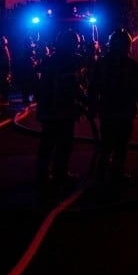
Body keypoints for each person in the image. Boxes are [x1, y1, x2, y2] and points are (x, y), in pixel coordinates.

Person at [86, 28, 138, 191]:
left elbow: (93, 88)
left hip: (108, 111)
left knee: (107, 143)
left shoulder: (102, 63)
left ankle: (101, 174)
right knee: (120, 145)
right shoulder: (132, 65)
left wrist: (91, 107)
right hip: (125, 112)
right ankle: (115, 174)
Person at [35, 27, 89, 195]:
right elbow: (71, 86)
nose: (77, 49)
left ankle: (42, 176)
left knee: (47, 144)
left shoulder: (51, 60)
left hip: (48, 110)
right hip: (61, 112)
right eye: (75, 45)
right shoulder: (66, 62)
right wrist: (84, 100)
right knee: (63, 145)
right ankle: (59, 175)